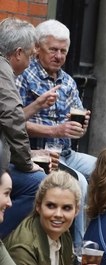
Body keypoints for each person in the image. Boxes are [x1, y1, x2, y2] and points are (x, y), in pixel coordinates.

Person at [16, 19, 96, 244]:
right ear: (37, 49)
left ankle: (104, 240)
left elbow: (75, 129)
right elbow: (12, 123)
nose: (58, 56)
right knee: (77, 181)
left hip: (67, 153)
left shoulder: (68, 82)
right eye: (53, 50)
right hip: (39, 153)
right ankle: (77, 250)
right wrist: (55, 130)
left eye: (63, 51)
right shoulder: (22, 76)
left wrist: (79, 127)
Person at [0, 18, 58, 238]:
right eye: (31, 56)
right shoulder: (3, 72)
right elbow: (12, 119)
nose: (30, 62)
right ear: (17, 53)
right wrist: (26, 163)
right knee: (38, 183)